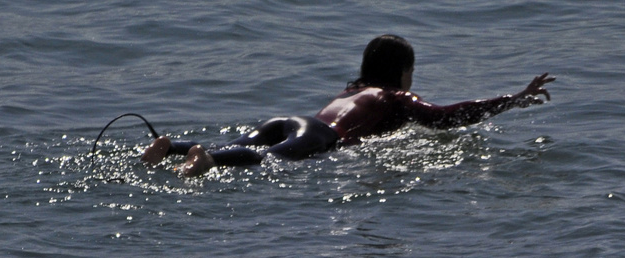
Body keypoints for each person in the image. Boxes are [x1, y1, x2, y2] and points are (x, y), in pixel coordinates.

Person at [140, 35, 553, 177]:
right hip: (320, 135)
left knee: (245, 143)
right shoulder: (395, 96)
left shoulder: (353, 88)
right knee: (268, 160)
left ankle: (172, 149)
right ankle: (203, 162)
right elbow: (446, 118)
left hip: (292, 118)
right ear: (402, 72)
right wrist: (511, 101)